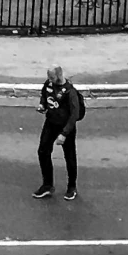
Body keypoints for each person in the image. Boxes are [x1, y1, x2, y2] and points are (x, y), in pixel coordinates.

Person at [33, 66, 82, 200]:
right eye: (49, 77)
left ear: (59, 75)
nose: (50, 80)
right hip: (50, 123)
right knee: (43, 151)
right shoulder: (49, 83)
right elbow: (44, 95)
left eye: (52, 77)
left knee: (69, 156)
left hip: (66, 127)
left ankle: (72, 187)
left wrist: (64, 133)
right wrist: (42, 105)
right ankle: (47, 185)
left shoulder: (70, 92)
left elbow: (74, 114)